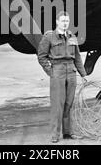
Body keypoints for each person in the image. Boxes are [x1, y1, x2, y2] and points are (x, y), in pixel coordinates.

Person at [37, 11, 88, 143]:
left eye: (67, 21)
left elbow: (77, 57)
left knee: (68, 103)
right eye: (63, 21)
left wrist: (83, 74)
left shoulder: (72, 37)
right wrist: (51, 72)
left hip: (71, 71)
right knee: (57, 105)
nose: (65, 23)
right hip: (57, 71)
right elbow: (41, 56)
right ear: (57, 22)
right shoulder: (49, 37)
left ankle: (68, 133)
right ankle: (55, 135)